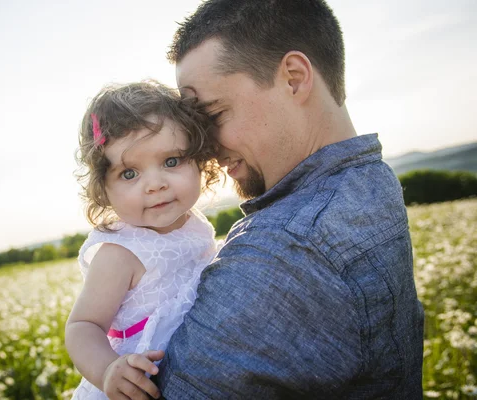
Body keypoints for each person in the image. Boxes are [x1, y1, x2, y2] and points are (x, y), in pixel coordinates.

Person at [149, 0, 425, 399]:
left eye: (212, 114)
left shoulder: (288, 247)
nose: (203, 148)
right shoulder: (369, 180)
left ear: (294, 78)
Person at [65, 81, 222, 400]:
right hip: (136, 384)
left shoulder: (196, 225)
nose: (155, 185)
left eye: (171, 161)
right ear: (103, 189)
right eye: (129, 174)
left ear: (199, 159)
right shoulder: (120, 253)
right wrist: (108, 369)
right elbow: (83, 326)